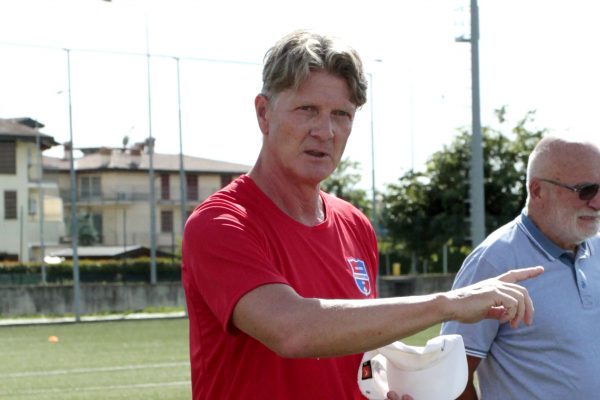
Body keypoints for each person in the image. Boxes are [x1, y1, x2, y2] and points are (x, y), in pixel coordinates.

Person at [181, 29, 543, 400]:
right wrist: (448, 303)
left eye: (342, 114)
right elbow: (292, 331)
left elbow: (359, 356)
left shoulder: (355, 225)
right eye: (308, 110)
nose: (325, 131)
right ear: (263, 113)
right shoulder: (221, 223)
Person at [441, 136, 600, 399]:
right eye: (585, 190)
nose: (597, 204)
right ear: (537, 191)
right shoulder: (493, 261)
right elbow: (449, 375)